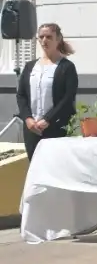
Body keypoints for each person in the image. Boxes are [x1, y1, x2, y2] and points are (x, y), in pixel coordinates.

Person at [16, 23, 78, 161]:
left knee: (54, 167)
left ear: (58, 39)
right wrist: (28, 119)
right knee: (34, 167)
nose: (44, 40)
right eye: (41, 37)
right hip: (32, 129)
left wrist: (48, 119)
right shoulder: (30, 66)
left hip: (55, 127)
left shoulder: (67, 67)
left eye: (49, 37)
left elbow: (68, 98)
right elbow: (21, 95)